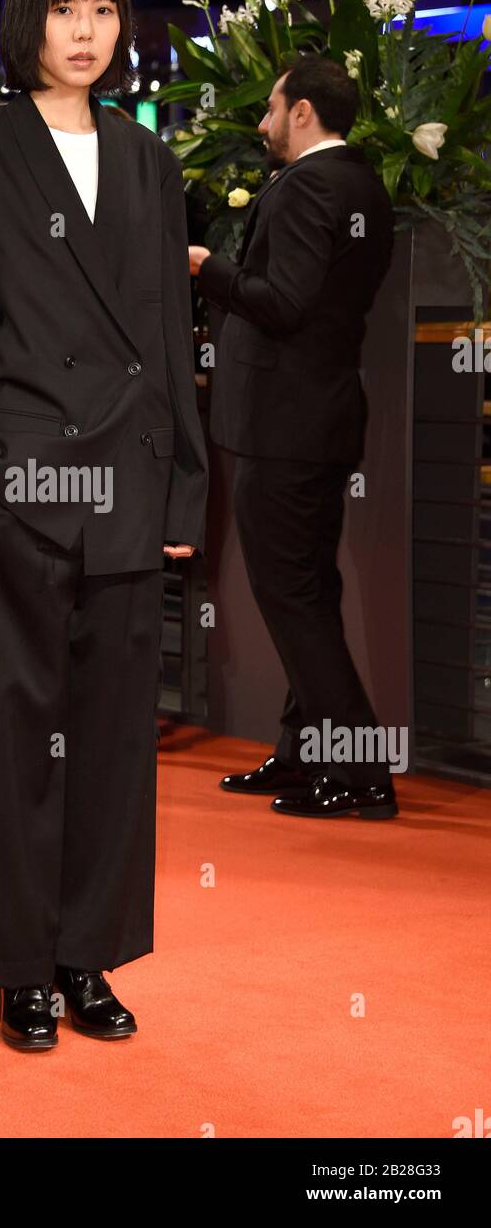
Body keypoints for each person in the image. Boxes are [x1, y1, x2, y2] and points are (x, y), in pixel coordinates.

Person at [0, 0, 209, 1049]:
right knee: (9, 735)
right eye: (60, 8)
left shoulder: (149, 160)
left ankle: (87, 954)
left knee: (113, 744)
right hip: (21, 484)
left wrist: (183, 491)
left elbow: (165, 340)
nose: (83, 30)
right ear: (26, 24)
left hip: (130, 491)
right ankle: (17, 965)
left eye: (100, 8)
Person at [193, 54, 397, 820]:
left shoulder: (314, 183)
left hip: (290, 425)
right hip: (312, 418)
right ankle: (306, 752)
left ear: (303, 111)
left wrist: (208, 267)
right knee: (307, 590)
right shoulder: (361, 183)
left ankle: (361, 772)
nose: (263, 121)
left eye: (273, 107)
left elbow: (285, 303)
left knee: (293, 593)